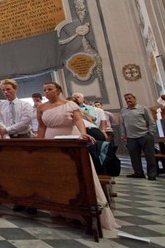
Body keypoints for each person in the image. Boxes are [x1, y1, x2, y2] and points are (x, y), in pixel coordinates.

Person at [36, 81, 118, 231]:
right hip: (50, 140)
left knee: (75, 174)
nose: (46, 92)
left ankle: (83, 209)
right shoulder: (42, 107)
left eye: (50, 89)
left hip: (70, 138)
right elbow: (41, 127)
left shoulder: (70, 105)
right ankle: (60, 208)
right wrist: (38, 144)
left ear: (58, 90)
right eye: (44, 90)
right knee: (56, 175)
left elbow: (79, 121)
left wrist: (83, 134)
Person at [120, 93, 157, 180]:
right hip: (131, 137)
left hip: (144, 135)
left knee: (149, 156)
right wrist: (123, 134)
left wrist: (151, 133)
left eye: (129, 98)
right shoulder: (123, 110)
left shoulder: (143, 108)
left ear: (135, 99)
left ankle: (151, 174)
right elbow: (122, 124)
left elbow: (151, 122)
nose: (128, 100)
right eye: (126, 99)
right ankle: (138, 173)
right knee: (134, 157)